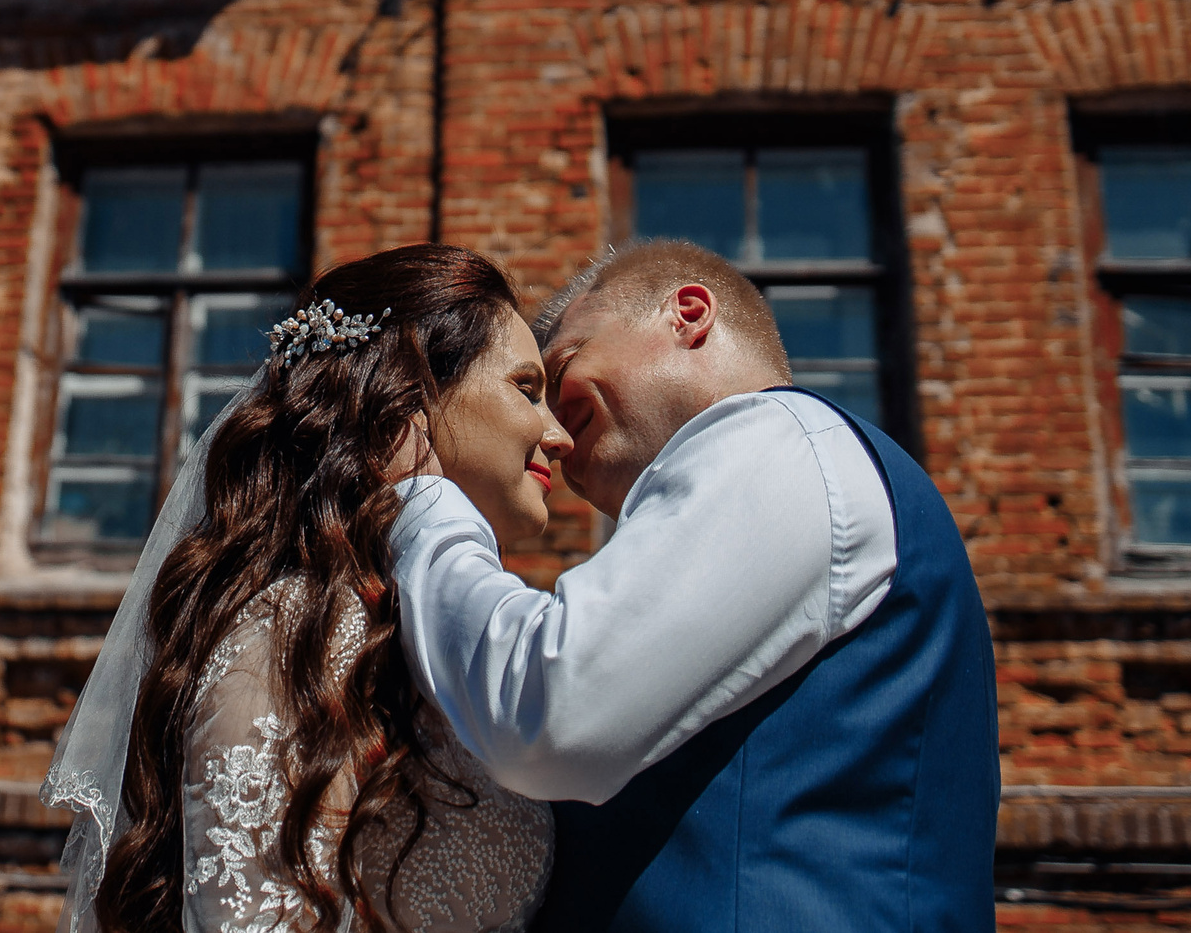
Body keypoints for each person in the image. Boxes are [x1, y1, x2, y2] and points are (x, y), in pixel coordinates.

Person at [389, 238, 999, 932]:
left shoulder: (781, 439)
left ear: (688, 314)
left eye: (561, 371)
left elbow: (549, 708)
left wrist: (420, 502)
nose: (553, 434)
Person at [44, 243, 573, 933]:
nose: (558, 435)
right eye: (527, 390)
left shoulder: (454, 637)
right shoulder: (290, 633)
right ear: (409, 396)